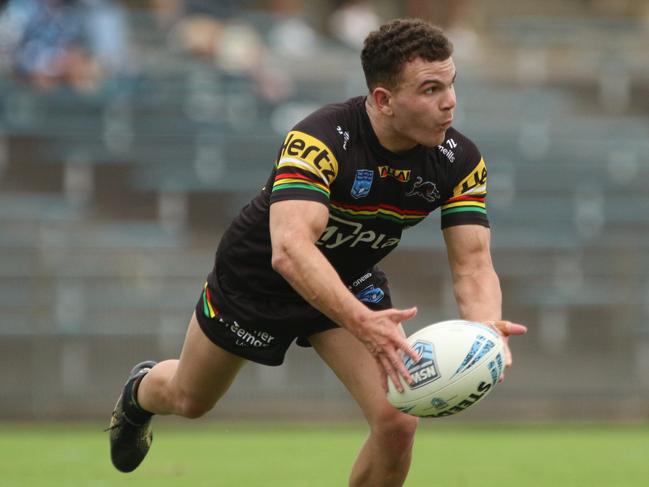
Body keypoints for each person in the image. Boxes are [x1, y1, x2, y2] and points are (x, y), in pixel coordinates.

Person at [107, 18, 527, 487]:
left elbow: (472, 266)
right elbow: (289, 251)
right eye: (430, 89)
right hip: (258, 281)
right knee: (190, 399)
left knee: (397, 421)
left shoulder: (460, 161)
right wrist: (362, 322)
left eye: (451, 84)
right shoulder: (321, 139)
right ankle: (139, 394)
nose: (449, 102)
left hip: (348, 278)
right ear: (384, 100)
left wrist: (489, 332)